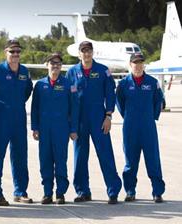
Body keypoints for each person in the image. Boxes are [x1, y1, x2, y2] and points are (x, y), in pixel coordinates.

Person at [66, 41, 122, 204]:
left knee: (105, 154)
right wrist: (71, 124)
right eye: (83, 51)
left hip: (99, 118)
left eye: (89, 51)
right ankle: (83, 191)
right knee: (80, 156)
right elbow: (69, 99)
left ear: (93, 52)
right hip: (79, 120)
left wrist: (109, 116)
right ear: (79, 54)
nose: (86, 54)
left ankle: (113, 191)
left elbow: (110, 94)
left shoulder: (103, 71)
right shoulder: (72, 72)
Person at [0, 39, 33, 205]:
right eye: (12, 52)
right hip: (1, 118)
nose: (16, 55)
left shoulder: (24, 71)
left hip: (19, 117)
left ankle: (20, 191)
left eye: (18, 52)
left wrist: (17, 102)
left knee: (20, 155)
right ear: (6, 52)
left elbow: (28, 90)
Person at [116, 53, 165, 203]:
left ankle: (157, 192)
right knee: (130, 161)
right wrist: (129, 116)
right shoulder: (123, 84)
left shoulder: (152, 82)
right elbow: (120, 103)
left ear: (144, 64)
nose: (138, 65)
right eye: (135, 63)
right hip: (130, 127)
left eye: (140, 62)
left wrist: (152, 117)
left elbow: (159, 101)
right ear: (130, 65)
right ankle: (130, 191)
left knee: (153, 160)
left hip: (148, 127)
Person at [31, 53, 79, 204]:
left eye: (58, 63)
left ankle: (60, 193)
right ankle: (47, 193)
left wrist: (73, 129)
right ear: (47, 65)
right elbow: (34, 108)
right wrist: (35, 127)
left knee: (60, 160)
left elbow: (74, 108)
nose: (55, 66)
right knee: (45, 160)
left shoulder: (68, 84)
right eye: (52, 63)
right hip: (44, 129)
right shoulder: (40, 85)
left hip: (61, 129)